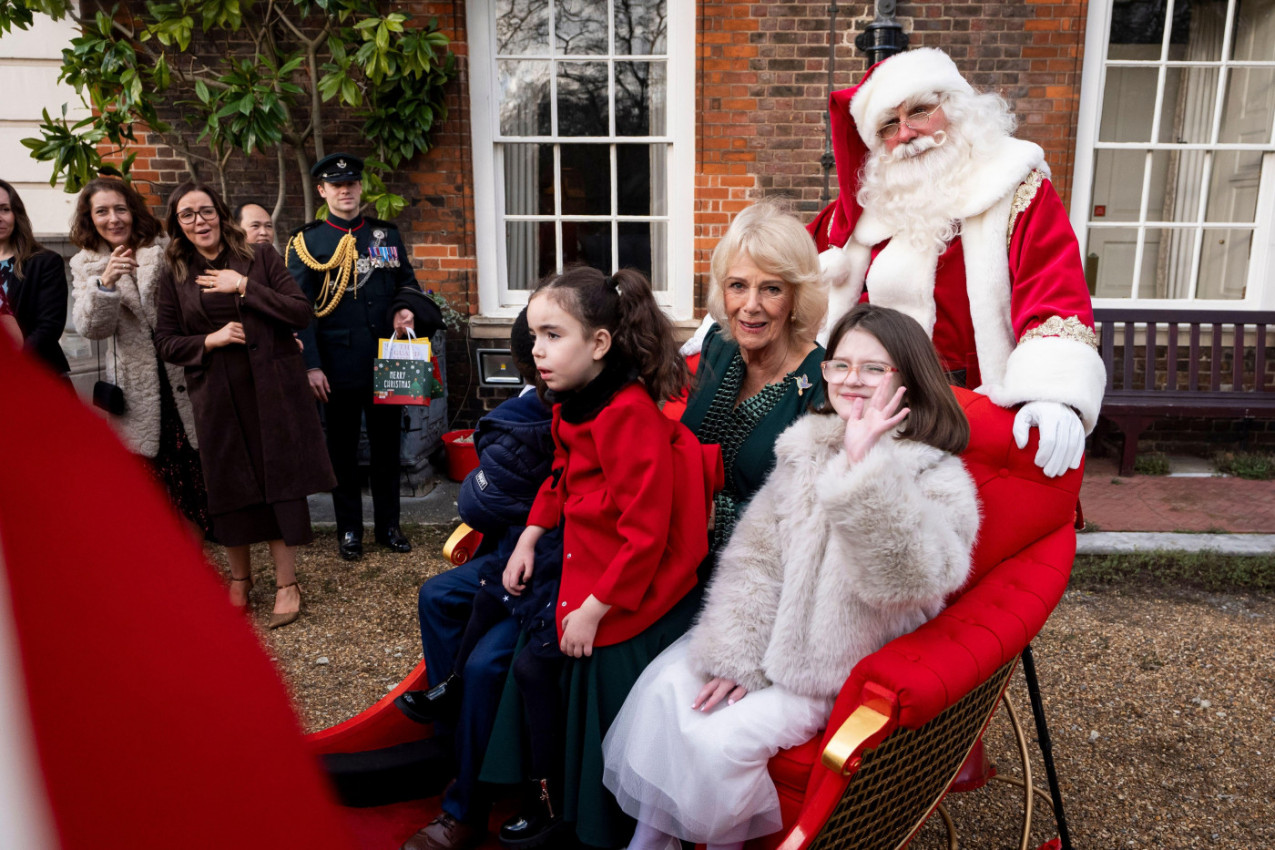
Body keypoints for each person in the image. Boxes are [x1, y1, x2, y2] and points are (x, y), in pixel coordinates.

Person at [603, 303, 980, 850]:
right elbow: (756, 555)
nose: (852, 379)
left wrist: (863, 468)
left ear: (909, 377)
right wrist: (739, 654)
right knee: (665, 692)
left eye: (874, 368)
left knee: (720, 742)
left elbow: (909, 581)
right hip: (767, 639)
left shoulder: (938, 473)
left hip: (834, 667)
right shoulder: (806, 445)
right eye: (840, 364)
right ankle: (651, 841)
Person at [416, 267, 719, 850]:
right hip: (577, 553)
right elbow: (560, 474)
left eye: (553, 336)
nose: (537, 351)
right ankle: (465, 710)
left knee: (534, 668)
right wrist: (530, 534)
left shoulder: (627, 415)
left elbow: (647, 533)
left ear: (599, 344)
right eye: (534, 336)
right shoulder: (573, 403)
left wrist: (595, 609)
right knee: (487, 598)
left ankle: (550, 798)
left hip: (618, 577)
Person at [809, 47, 1105, 479]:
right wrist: (718, 327)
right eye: (890, 125)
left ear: (958, 109)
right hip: (871, 406)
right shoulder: (867, 210)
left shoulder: (1015, 186)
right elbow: (784, 265)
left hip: (971, 405)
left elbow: (1052, 290)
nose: (906, 134)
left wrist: (1053, 391)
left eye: (920, 112)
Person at [394, 309, 559, 849]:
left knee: (488, 664)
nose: (542, 357)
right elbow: (486, 499)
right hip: (513, 552)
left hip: (553, 574)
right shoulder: (527, 407)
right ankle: (458, 742)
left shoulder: (579, 415)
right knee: (438, 595)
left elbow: (490, 497)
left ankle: (466, 807)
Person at [155, 181, 336, 628]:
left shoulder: (260, 257)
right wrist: (208, 340)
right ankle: (240, 579)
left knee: (279, 485)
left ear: (220, 212)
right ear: (177, 225)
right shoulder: (173, 273)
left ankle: (286, 583)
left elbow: (299, 311)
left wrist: (243, 288)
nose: (199, 221)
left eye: (206, 211)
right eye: (187, 215)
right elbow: (165, 341)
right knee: (229, 489)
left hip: (271, 391)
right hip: (216, 396)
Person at [286, 153, 438, 561]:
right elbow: (299, 311)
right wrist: (312, 365)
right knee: (343, 452)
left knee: (389, 448)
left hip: (386, 362)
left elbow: (407, 283)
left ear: (360, 188)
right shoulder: (308, 242)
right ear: (323, 191)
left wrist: (404, 309)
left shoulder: (384, 235)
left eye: (351, 183)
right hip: (337, 366)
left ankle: (389, 526)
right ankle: (349, 530)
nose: (345, 190)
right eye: (336, 185)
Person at [683, 199, 829, 554]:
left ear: (797, 297)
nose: (750, 305)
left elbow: (812, 517)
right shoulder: (718, 344)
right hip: (678, 544)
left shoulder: (822, 382)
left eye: (771, 288)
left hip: (756, 569)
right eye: (737, 285)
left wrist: (721, 518)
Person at [69, 177, 209, 534]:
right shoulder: (84, 265)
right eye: (102, 212)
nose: (113, 219)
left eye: (120, 208)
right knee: (156, 492)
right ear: (90, 218)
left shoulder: (164, 247)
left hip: (183, 376)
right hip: (137, 392)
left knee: (196, 483)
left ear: (132, 210)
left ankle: (204, 568)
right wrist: (106, 284)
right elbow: (90, 328)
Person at [0, 179, 70, 376]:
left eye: (4, 209)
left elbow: (48, 327)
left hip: (37, 375)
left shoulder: (45, 262)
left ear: (16, 214)